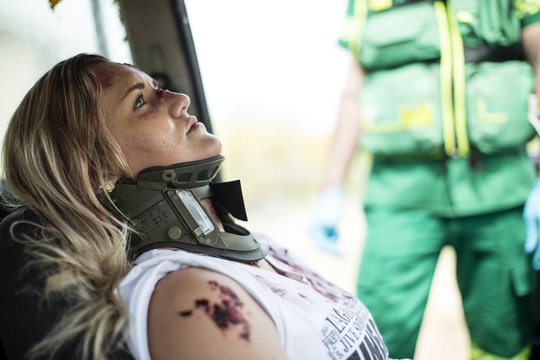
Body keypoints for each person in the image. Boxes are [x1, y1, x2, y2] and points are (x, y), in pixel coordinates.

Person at [0, 53, 408, 360]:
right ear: (96, 172)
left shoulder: (253, 245)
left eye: (157, 87)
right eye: (140, 102)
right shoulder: (190, 298)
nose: (179, 98)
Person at [309, 1, 540, 359]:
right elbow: (354, 93)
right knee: (381, 335)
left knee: (504, 334)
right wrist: (331, 188)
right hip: (398, 198)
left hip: (502, 194)